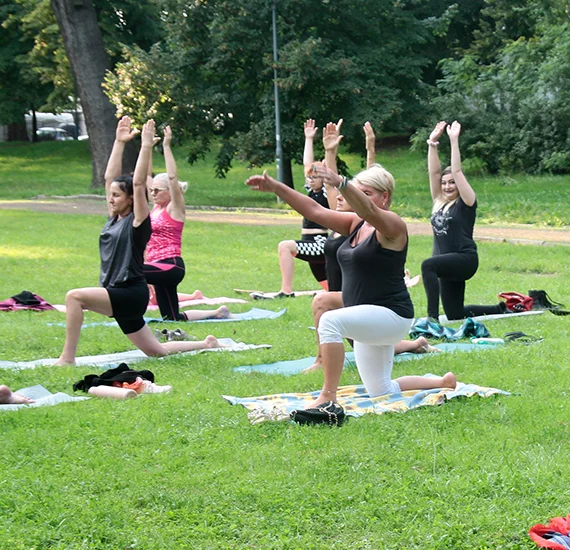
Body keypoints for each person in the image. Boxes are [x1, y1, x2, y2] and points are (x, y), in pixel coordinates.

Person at [247, 150, 446, 418]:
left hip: (392, 316)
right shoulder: (355, 223)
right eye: (358, 190)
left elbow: (368, 209)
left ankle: (328, 397)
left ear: (384, 197)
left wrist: (342, 183)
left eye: (367, 192)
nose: (359, 196)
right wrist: (276, 188)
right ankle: (442, 381)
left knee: (330, 321)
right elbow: (315, 210)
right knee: (381, 390)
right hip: (367, 316)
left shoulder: (393, 226)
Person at [55, 117, 218, 366]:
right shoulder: (113, 218)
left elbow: (140, 182)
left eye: (116, 195)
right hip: (119, 291)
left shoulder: (138, 222)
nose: (110, 199)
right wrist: (119, 142)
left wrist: (144, 146)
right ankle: (205, 343)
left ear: (131, 199)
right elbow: (110, 177)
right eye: (110, 195)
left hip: (129, 292)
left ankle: (67, 359)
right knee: (156, 352)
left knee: (74, 297)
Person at [301, 121, 433, 376]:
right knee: (329, 310)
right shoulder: (344, 215)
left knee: (349, 328)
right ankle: (417, 346)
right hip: (351, 296)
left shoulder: (368, 218)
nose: (342, 197)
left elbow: (362, 197)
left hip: (370, 301)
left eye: (364, 192)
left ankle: (328, 388)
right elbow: (331, 188)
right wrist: (329, 152)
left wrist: (370, 147)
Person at [143, 124, 230, 322]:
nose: (153, 193)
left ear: (170, 191)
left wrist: (166, 146)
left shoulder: (174, 208)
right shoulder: (155, 207)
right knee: (171, 317)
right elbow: (145, 177)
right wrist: (146, 147)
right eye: (152, 190)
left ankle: (125, 313)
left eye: (158, 190)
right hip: (156, 265)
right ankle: (217, 313)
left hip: (170, 266)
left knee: (129, 271)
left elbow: (172, 177)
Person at [420, 121, 498, 320]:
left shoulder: (466, 202)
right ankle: (500, 308)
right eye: (444, 184)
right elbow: (434, 173)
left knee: (427, 265)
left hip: (464, 259)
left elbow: (457, 171)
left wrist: (454, 140)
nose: (447, 186)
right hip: (446, 264)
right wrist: (432, 143)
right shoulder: (439, 200)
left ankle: (432, 319)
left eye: (451, 183)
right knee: (455, 315)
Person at [275, 119, 332, 296]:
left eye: (316, 177)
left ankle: (286, 290)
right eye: (309, 178)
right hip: (309, 243)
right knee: (331, 288)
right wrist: (308, 139)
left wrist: (329, 152)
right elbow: (308, 165)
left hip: (319, 244)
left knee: (285, 246)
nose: (311, 179)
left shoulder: (325, 192)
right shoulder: (311, 191)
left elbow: (327, 171)